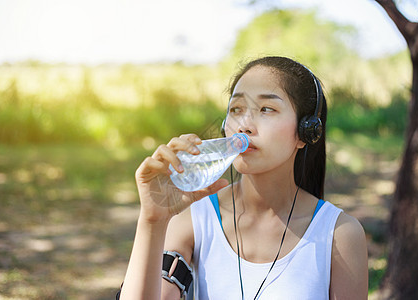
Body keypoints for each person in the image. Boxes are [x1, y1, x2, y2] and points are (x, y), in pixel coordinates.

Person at [117, 56, 368, 299]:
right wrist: (152, 221)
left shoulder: (339, 234)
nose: (244, 124)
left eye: (266, 109)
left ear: (306, 132)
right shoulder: (196, 220)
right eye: (236, 109)